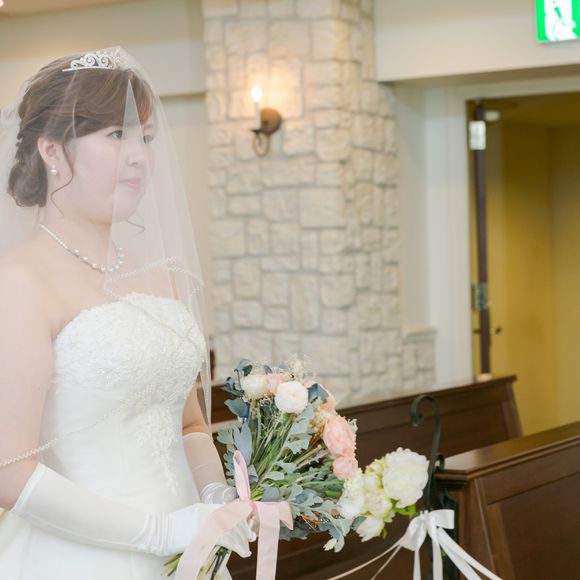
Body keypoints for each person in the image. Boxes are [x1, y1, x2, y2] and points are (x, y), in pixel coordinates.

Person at [0, 47, 251, 579]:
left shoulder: (161, 275)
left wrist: (215, 494)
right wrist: (158, 532)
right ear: (52, 149)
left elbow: (188, 423)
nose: (139, 156)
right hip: (83, 557)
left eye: (147, 137)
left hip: (190, 552)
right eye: (117, 135)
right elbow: (8, 471)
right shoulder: (19, 282)